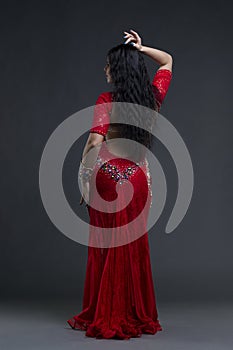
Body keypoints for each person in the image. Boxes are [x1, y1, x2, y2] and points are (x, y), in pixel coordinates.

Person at [67, 29, 173, 340]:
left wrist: (83, 176)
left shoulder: (106, 100)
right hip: (139, 178)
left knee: (106, 244)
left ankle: (107, 311)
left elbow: (94, 141)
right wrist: (141, 48)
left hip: (108, 177)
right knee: (132, 245)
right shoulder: (152, 99)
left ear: (119, 70)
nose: (105, 70)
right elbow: (167, 61)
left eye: (109, 65)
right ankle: (133, 311)